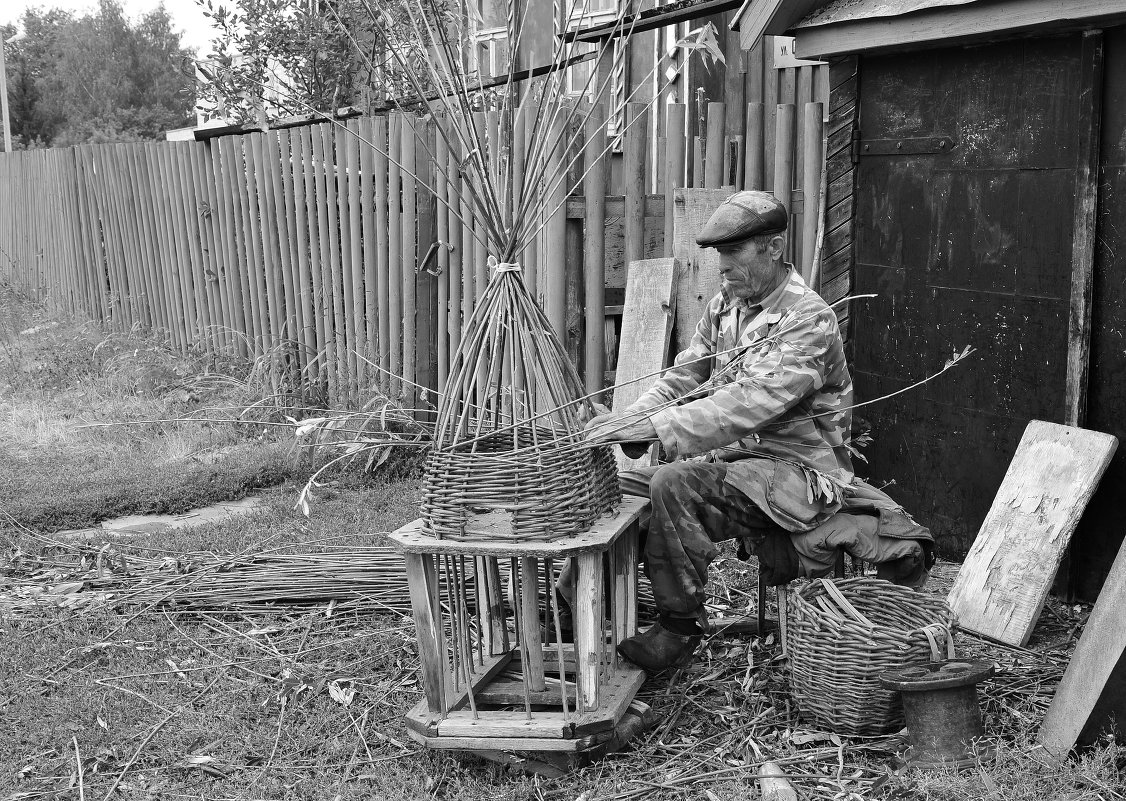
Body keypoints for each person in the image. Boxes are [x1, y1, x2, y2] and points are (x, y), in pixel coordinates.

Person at [583, 190, 933, 673]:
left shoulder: (807, 319)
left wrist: (657, 428)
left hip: (799, 473)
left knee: (672, 484)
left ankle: (679, 627)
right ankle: (575, 605)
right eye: (720, 254)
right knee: (618, 488)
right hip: (737, 466)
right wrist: (633, 419)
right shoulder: (727, 304)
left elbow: (746, 405)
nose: (722, 266)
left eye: (734, 253)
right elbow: (688, 375)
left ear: (772, 247)